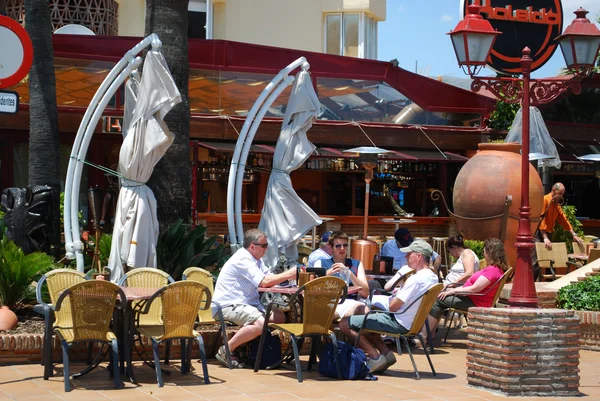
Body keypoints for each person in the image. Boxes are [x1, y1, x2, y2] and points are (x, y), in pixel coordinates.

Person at [339, 240, 438, 373]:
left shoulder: (416, 279)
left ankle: (374, 356)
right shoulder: (433, 277)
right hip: (412, 322)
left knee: (344, 323)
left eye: (409, 254)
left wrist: (399, 292)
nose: (405, 257)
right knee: (368, 319)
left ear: (418, 256)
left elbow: (392, 307)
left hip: (398, 322)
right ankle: (386, 354)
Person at [212, 229, 297, 368]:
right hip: (228, 305)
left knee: (279, 317)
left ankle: (251, 336)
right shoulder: (243, 259)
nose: (267, 248)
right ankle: (226, 349)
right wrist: (288, 274)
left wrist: (291, 280)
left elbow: (270, 278)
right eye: (264, 246)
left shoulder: (257, 260)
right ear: (252, 246)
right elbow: (264, 282)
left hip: (248, 305)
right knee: (261, 324)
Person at [425, 237, 508, 340]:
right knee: (440, 296)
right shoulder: (494, 269)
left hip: (475, 301)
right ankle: (430, 334)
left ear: (490, 253)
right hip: (472, 297)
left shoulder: (492, 271)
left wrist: (453, 290)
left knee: (438, 300)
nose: (483, 254)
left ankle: (424, 335)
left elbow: (474, 289)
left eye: (485, 251)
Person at [313, 231, 370, 319]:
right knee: (323, 314)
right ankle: (329, 333)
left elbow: (365, 293)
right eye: (338, 246)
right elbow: (312, 289)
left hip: (350, 302)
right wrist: (328, 273)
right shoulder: (321, 263)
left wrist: (349, 273)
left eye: (345, 245)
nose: (342, 248)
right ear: (331, 248)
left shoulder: (356, 264)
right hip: (328, 302)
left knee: (365, 311)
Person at [537, 182, 584, 251]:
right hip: (540, 233)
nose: (561, 196)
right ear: (553, 190)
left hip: (548, 233)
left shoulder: (556, 204)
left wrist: (574, 234)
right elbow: (541, 220)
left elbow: (563, 220)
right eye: (560, 193)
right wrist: (545, 238)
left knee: (548, 257)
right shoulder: (545, 200)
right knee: (538, 257)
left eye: (562, 194)